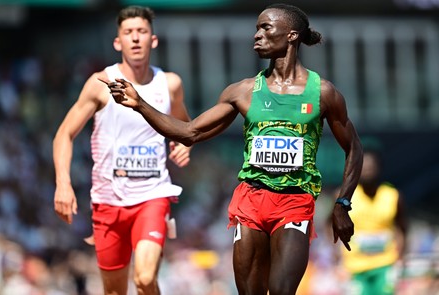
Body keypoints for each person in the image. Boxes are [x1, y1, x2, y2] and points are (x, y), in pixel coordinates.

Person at [101, 3, 363, 294]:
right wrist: (139, 104)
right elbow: (189, 132)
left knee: (280, 290)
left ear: (291, 36)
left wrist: (342, 204)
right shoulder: (243, 91)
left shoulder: (323, 92)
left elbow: (353, 148)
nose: (257, 35)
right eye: (256, 28)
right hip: (250, 201)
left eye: (265, 27)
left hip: (294, 201)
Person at [52, 6, 192, 295]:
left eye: (142, 32)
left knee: (143, 278)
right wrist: (63, 184)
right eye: (128, 33)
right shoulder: (100, 84)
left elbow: (184, 126)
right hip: (107, 201)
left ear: (153, 40)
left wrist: (182, 144)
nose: (136, 38)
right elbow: (64, 134)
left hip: (152, 196)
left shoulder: (170, 84)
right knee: (115, 291)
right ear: (118, 42)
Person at [338, 148, 408, 295]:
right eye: (364, 167)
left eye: (371, 167)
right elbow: (330, 227)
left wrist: (401, 258)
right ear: (357, 170)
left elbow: (403, 229)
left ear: (379, 168)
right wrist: (337, 259)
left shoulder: (393, 196)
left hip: (385, 264)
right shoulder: (345, 198)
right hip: (354, 267)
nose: (368, 171)